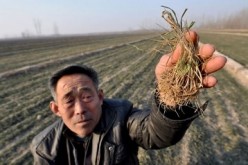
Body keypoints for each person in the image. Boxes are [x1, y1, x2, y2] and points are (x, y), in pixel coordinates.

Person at [30, 31, 227, 165]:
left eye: (87, 96)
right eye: (69, 100)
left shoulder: (121, 118)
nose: (80, 108)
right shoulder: (45, 148)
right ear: (56, 109)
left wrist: (170, 97)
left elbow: (156, 133)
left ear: (100, 97)